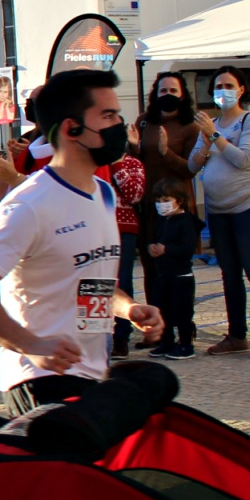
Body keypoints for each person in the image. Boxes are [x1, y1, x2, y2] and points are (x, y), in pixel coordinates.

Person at [0, 69, 165, 416]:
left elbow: (90, 285)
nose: (119, 126)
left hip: (90, 374)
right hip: (42, 380)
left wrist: (129, 309)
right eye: (107, 116)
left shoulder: (104, 194)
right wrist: (30, 345)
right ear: (70, 129)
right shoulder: (29, 204)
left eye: (118, 116)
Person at [190, 65, 250, 358]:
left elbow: (244, 159)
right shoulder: (209, 125)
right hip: (219, 210)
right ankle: (236, 335)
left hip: (248, 207)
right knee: (229, 274)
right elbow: (192, 166)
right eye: (217, 86)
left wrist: (215, 136)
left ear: (241, 90)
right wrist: (204, 143)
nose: (222, 91)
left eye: (229, 85)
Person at [136, 72, 198, 310]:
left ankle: (180, 324)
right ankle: (157, 323)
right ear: (155, 94)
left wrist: (166, 152)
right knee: (150, 264)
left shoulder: (189, 127)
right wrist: (132, 147)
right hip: (148, 203)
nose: (168, 95)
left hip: (175, 207)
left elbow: (191, 168)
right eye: (163, 91)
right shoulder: (144, 122)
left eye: (173, 91)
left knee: (174, 263)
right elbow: (134, 162)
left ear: (182, 96)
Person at [146, 180, 199, 359]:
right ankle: (166, 341)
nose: (162, 204)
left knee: (182, 311)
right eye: (159, 200)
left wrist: (166, 249)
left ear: (179, 200)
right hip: (163, 275)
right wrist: (151, 248)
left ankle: (185, 344)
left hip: (181, 276)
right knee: (162, 309)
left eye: (166, 199)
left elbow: (187, 248)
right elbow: (152, 238)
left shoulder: (186, 222)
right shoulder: (161, 221)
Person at [106, 131, 147, 359]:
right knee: (97, 282)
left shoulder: (133, 164)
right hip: (99, 228)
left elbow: (134, 194)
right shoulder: (94, 163)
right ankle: (99, 335)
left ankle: (122, 337)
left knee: (123, 282)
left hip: (124, 230)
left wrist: (117, 165)